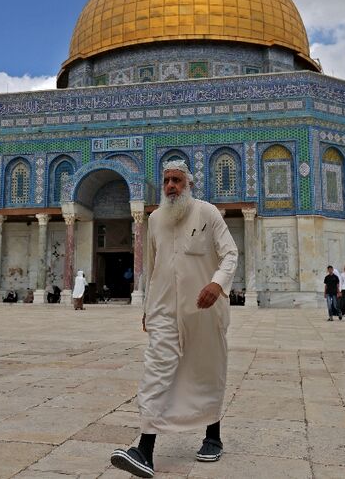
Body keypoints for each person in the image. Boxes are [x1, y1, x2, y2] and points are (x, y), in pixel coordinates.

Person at [110, 160, 238, 478]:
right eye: (166, 180)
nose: (171, 186)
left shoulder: (207, 213)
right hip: (165, 311)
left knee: (205, 369)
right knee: (156, 372)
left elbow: (230, 254)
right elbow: (152, 269)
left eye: (177, 181)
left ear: (188, 184)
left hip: (204, 310)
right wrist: (147, 309)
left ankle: (213, 436)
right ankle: (145, 450)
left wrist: (217, 283)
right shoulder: (155, 219)